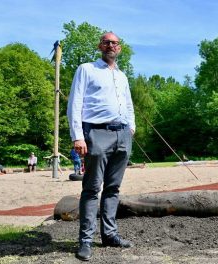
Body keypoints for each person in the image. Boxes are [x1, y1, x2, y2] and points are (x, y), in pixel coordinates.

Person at [67, 32, 136, 261]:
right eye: (106, 42)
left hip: (122, 134)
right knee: (91, 188)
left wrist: (131, 128)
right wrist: (78, 136)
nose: (110, 45)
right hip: (96, 132)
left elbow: (128, 104)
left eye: (115, 43)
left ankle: (109, 234)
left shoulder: (122, 76)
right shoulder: (86, 69)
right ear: (99, 46)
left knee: (113, 189)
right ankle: (85, 241)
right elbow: (75, 103)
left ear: (120, 48)